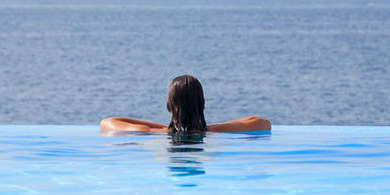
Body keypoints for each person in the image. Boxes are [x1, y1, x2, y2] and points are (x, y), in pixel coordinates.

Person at [100, 75, 271, 133]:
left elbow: (107, 122)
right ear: (202, 103)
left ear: (169, 104)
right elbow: (263, 122)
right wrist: (210, 127)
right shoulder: (214, 132)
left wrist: (164, 127)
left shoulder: (150, 132)